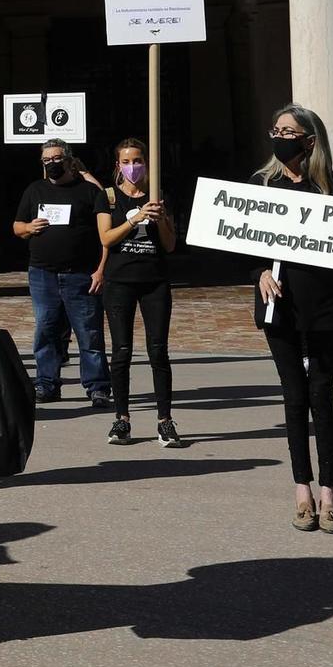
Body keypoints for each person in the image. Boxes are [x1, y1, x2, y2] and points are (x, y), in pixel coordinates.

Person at [252, 104, 333, 532]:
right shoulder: (262, 185)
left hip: (324, 305)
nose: (280, 137)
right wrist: (260, 272)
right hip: (279, 304)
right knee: (294, 399)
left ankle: (329, 493)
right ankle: (301, 490)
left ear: (310, 139)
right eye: (276, 130)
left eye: (288, 131)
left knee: (322, 398)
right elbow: (241, 241)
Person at [93, 139, 182, 447]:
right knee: (121, 351)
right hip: (120, 282)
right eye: (127, 161)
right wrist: (133, 219)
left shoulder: (159, 197)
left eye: (138, 160)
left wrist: (160, 221)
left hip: (154, 280)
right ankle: (122, 419)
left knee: (158, 351)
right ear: (118, 165)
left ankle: (165, 420)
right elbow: (106, 238)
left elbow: (170, 245)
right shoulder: (107, 198)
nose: (133, 166)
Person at [13, 139, 112, 406]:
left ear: (69, 160)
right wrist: (28, 228)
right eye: (46, 160)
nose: (51, 164)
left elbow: (106, 237)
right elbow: (17, 227)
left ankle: (98, 387)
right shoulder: (34, 190)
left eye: (56, 159)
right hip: (43, 274)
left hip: (81, 274)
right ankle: (46, 384)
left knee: (89, 333)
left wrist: (100, 270)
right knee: (46, 330)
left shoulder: (89, 192)